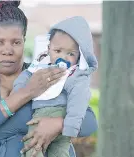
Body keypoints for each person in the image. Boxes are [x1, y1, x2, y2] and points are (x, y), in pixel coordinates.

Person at [0, 1, 98, 157]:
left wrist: (58, 124)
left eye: (16, 42)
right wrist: (28, 92)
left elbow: (90, 122)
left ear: (24, 42)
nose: (7, 51)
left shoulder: (47, 74)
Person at [14, 16, 98, 157]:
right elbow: (24, 79)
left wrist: (70, 126)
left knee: (33, 148)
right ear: (48, 48)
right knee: (60, 152)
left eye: (70, 53)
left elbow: (79, 101)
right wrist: (19, 91)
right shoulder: (41, 65)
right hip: (43, 116)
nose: (63, 58)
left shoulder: (75, 75)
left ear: (79, 56)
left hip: (56, 117)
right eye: (57, 51)